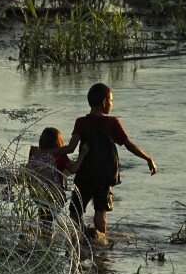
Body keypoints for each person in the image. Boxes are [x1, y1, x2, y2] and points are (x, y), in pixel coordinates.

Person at [57, 83, 157, 246]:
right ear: (104, 102)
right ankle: (100, 247)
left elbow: (70, 148)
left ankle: (76, 243)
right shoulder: (112, 122)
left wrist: (46, 151)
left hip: (85, 175)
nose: (111, 104)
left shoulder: (81, 122)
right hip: (104, 176)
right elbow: (128, 145)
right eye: (111, 100)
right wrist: (148, 158)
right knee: (100, 212)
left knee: (75, 212)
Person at [27, 127, 87, 224]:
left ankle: (43, 231)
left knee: (44, 217)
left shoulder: (34, 153)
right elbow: (73, 169)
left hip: (38, 192)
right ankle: (46, 232)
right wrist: (83, 154)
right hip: (55, 194)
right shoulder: (61, 156)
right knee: (48, 220)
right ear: (58, 142)